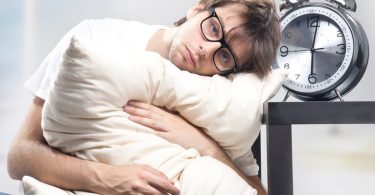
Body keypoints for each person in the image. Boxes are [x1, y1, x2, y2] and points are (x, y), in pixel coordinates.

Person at [7, 0, 280, 194]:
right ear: (198, 8)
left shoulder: (216, 101)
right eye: (213, 29)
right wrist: (108, 179)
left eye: (224, 56)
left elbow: (254, 191)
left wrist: (205, 146)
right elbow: (19, 156)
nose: (204, 51)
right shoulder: (95, 39)